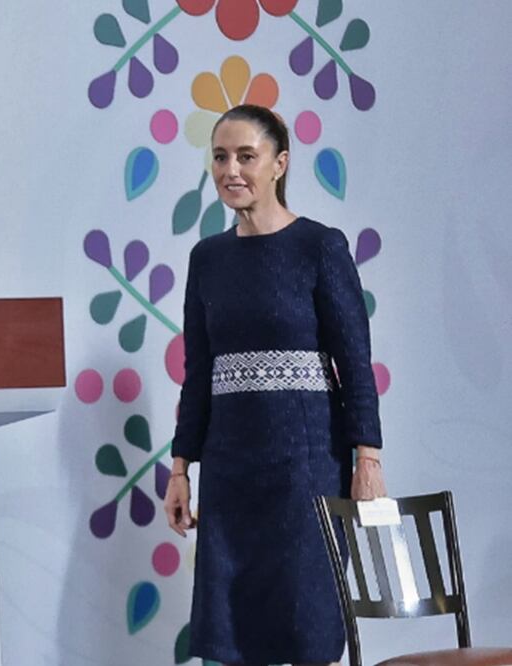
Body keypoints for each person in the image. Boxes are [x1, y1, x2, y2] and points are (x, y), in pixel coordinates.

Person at [162, 104, 387, 665]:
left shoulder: (320, 247)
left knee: (307, 626)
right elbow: (200, 373)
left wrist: (368, 458)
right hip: (231, 469)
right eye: (219, 157)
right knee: (236, 634)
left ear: (280, 163)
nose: (230, 170)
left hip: (306, 467)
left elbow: (355, 361)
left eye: (246, 156)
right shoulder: (207, 258)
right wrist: (180, 468)